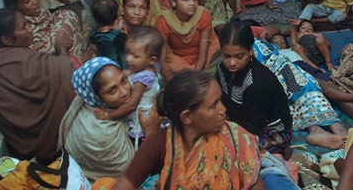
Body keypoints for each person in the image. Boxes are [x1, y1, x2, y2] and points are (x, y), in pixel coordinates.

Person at [92, 70, 265, 190]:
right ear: (188, 117)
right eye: (213, 105)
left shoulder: (235, 136)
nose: (223, 110)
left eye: (220, 100)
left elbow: (254, 184)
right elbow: (126, 183)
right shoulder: (159, 143)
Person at [0, 8, 75, 162]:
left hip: (21, 147)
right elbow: (65, 69)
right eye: (24, 27)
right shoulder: (20, 62)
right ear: (6, 39)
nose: (30, 28)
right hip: (46, 143)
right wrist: (63, 49)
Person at [253, 39, 348, 149]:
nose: (279, 42)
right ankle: (317, 129)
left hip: (284, 65)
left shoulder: (285, 49)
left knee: (305, 82)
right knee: (293, 87)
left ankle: (332, 126)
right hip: (264, 71)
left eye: (282, 40)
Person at [216, 21, 293, 154]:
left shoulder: (258, 82)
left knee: (227, 152)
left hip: (268, 131)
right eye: (226, 56)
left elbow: (252, 127)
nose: (232, 62)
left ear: (251, 51)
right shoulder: (221, 67)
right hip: (237, 119)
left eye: (239, 56)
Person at [58, 57, 136, 181]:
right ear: (96, 97)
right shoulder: (99, 133)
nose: (124, 92)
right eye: (112, 90)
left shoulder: (101, 104)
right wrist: (149, 130)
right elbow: (134, 171)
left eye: (123, 81)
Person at [93, 27, 162, 144]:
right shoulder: (148, 67)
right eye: (127, 53)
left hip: (140, 124)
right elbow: (129, 73)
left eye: (135, 56)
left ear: (151, 60)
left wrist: (108, 115)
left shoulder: (142, 79)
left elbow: (131, 105)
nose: (128, 59)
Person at [3, 0, 86, 61]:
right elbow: (42, 56)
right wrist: (60, 46)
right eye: (27, 1)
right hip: (60, 66)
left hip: (70, 59)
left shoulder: (47, 16)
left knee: (68, 15)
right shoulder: (27, 31)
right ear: (16, 8)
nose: (34, 2)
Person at [156, 0, 220, 77]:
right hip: (176, 62)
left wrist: (195, 76)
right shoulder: (164, 20)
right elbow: (163, 56)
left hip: (203, 60)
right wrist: (171, 80)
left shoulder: (203, 15)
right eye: (186, 0)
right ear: (173, 1)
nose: (192, 4)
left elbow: (203, 55)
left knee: (218, 64)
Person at [90, 0, 127, 68]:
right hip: (118, 65)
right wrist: (120, 30)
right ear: (116, 16)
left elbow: (94, 49)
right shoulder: (116, 35)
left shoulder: (94, 34)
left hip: (103, 65)